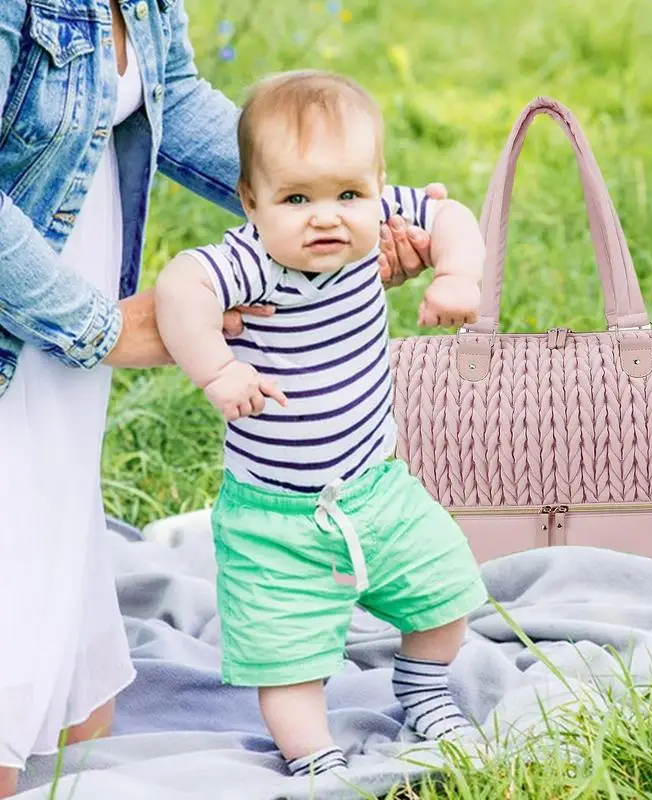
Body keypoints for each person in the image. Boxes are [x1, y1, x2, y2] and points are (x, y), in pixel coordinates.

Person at [0, 3, 441, 795]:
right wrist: (100, 326)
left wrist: (334, 210)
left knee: (76, 722)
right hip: (27, 311)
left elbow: (169, 92)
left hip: (59, 306)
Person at [154, 70, 488, 777]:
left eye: (348, 195)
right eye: (296, 199)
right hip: (273, 518)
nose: (326, 217)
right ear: (251, 201)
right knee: (286, 660)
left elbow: (450, 215)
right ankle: (316, 759)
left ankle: (423, 688)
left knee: (446, 590)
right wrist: (217, 369)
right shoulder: (252, 263)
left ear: (376, 184)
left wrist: (457, 274)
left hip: (378, 491)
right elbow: (183, 283)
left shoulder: (373, 232)